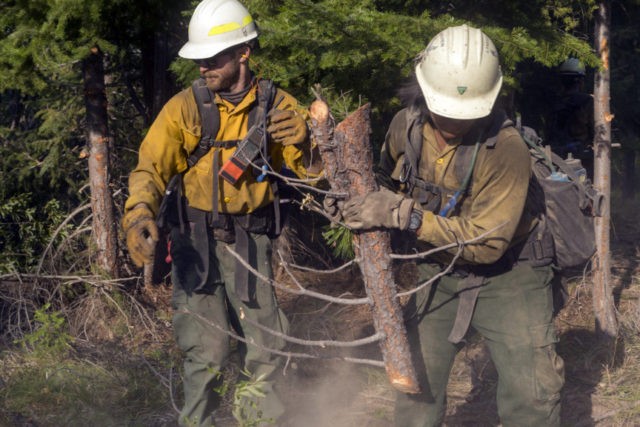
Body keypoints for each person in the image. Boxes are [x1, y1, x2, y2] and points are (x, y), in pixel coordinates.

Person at [340, 25, 564, 426]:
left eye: (465, 114)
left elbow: (487, 242)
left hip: (512, 275)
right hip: (440, 270)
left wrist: (405, 215)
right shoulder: (405, 127)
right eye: (441, 107)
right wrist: (354, 202)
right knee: (415, 388)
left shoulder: (506, 148)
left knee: (533, 396)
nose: (451, 122)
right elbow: (387, 184)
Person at [121, 0, 322, 425]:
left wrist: (309, 143)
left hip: (252, 241)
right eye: (198, 59)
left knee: (266, 348)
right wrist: (139, 213)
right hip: (194, 242)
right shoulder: (185, 107)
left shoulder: (280, 106)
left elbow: (315, 177)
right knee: (205, 354)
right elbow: (150, 167)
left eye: (212, 58)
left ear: (243, 53)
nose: (203, 67)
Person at [545, 57, 594, 178]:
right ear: (580, 81)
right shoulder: (587, 102)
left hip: (555, 159)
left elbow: (548, 131)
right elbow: (595, 131)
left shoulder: (554, 103)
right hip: (582, 160)